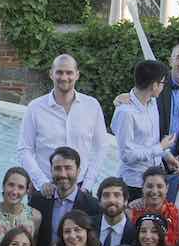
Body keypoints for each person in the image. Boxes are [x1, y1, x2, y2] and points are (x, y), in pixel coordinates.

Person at [17, 54, 111, 193]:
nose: (64, 77)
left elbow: (101, 147)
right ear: (51, 74)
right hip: (45, 187)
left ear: (77, 75)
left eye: (69, 73)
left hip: (81, 188)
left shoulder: (92, 106)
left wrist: (88, 184)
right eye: (59, 72)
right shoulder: (35, 108)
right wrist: (41, 182)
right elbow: (24, 149)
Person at [111, 59, 173, 189]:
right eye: (162, 83)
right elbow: (127, 155)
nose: (164, 87)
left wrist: (166, 155)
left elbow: (150, 141)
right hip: (134, 183)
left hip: (155, 178)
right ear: (154, 85)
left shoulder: (152, 103)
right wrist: (160, 148)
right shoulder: (126, 112)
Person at [28, 147, 99, 246]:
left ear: (78, 171)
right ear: (51, 170)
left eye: (68, 168)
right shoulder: (38, 199)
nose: (63, 174)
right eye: (57, 168)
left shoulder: (92, 206)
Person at [132, 166, 179, 246]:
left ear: (167, 188)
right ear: (142, 188)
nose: (154, 191)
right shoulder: (131, 212)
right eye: (149, 186)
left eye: (159, 186)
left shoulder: (178, 215)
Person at [94, 178, 133, 246]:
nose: (111, 200)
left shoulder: (134, 233)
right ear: (99, 201)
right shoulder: (88, 226)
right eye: (106, 195)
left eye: (117, 195)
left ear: (125, 201)